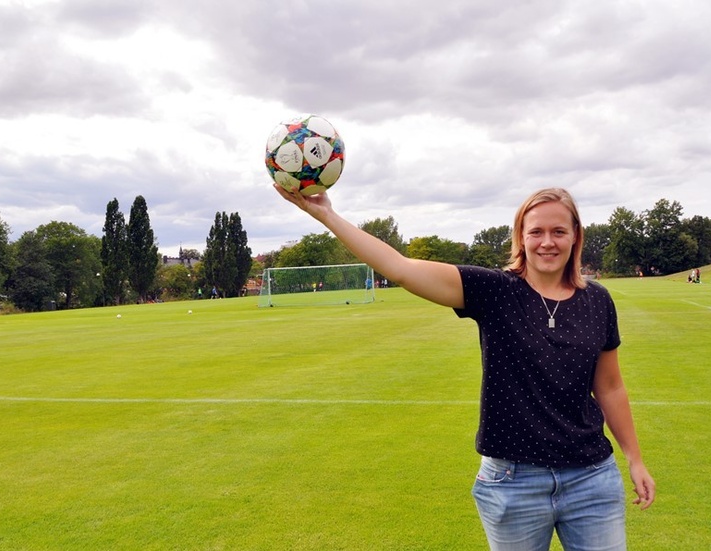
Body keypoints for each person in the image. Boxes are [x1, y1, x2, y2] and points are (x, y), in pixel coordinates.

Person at [275, 185, 655, 550]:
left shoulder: (598, 301)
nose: (547, 242)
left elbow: (610, 387)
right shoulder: (495, 291)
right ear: (520, 238)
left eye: (559, 231)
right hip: (512, 482)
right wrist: (327, 215)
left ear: (576, 235)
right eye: (536, 231)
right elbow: (401, 268)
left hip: (591, 477)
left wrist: (634, 459)